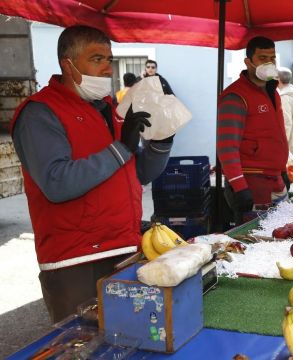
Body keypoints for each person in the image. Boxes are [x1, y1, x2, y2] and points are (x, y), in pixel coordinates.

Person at [9, 25, 173, 323]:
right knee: (83, 346)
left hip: (125, 248)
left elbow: (139, 175)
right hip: (78, 261)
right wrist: (121, 149)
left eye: (109, 59)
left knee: (131, 340)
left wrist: (162, 142)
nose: (107, 68)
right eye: (97, 59)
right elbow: (57, 183)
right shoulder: (40, 113)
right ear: (67, 63)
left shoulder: (110, 109)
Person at [216, 36, 289, 225]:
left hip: (275, 181)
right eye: (263, 58)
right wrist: (239, 187)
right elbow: (226, 147)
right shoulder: (235, 97)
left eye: (272, 58)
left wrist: (283, 171)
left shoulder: (272, 92)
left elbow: (274, 135)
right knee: (256, 242)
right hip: (253, 185)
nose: (269, 63)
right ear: (248, 62)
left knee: (279, 239)